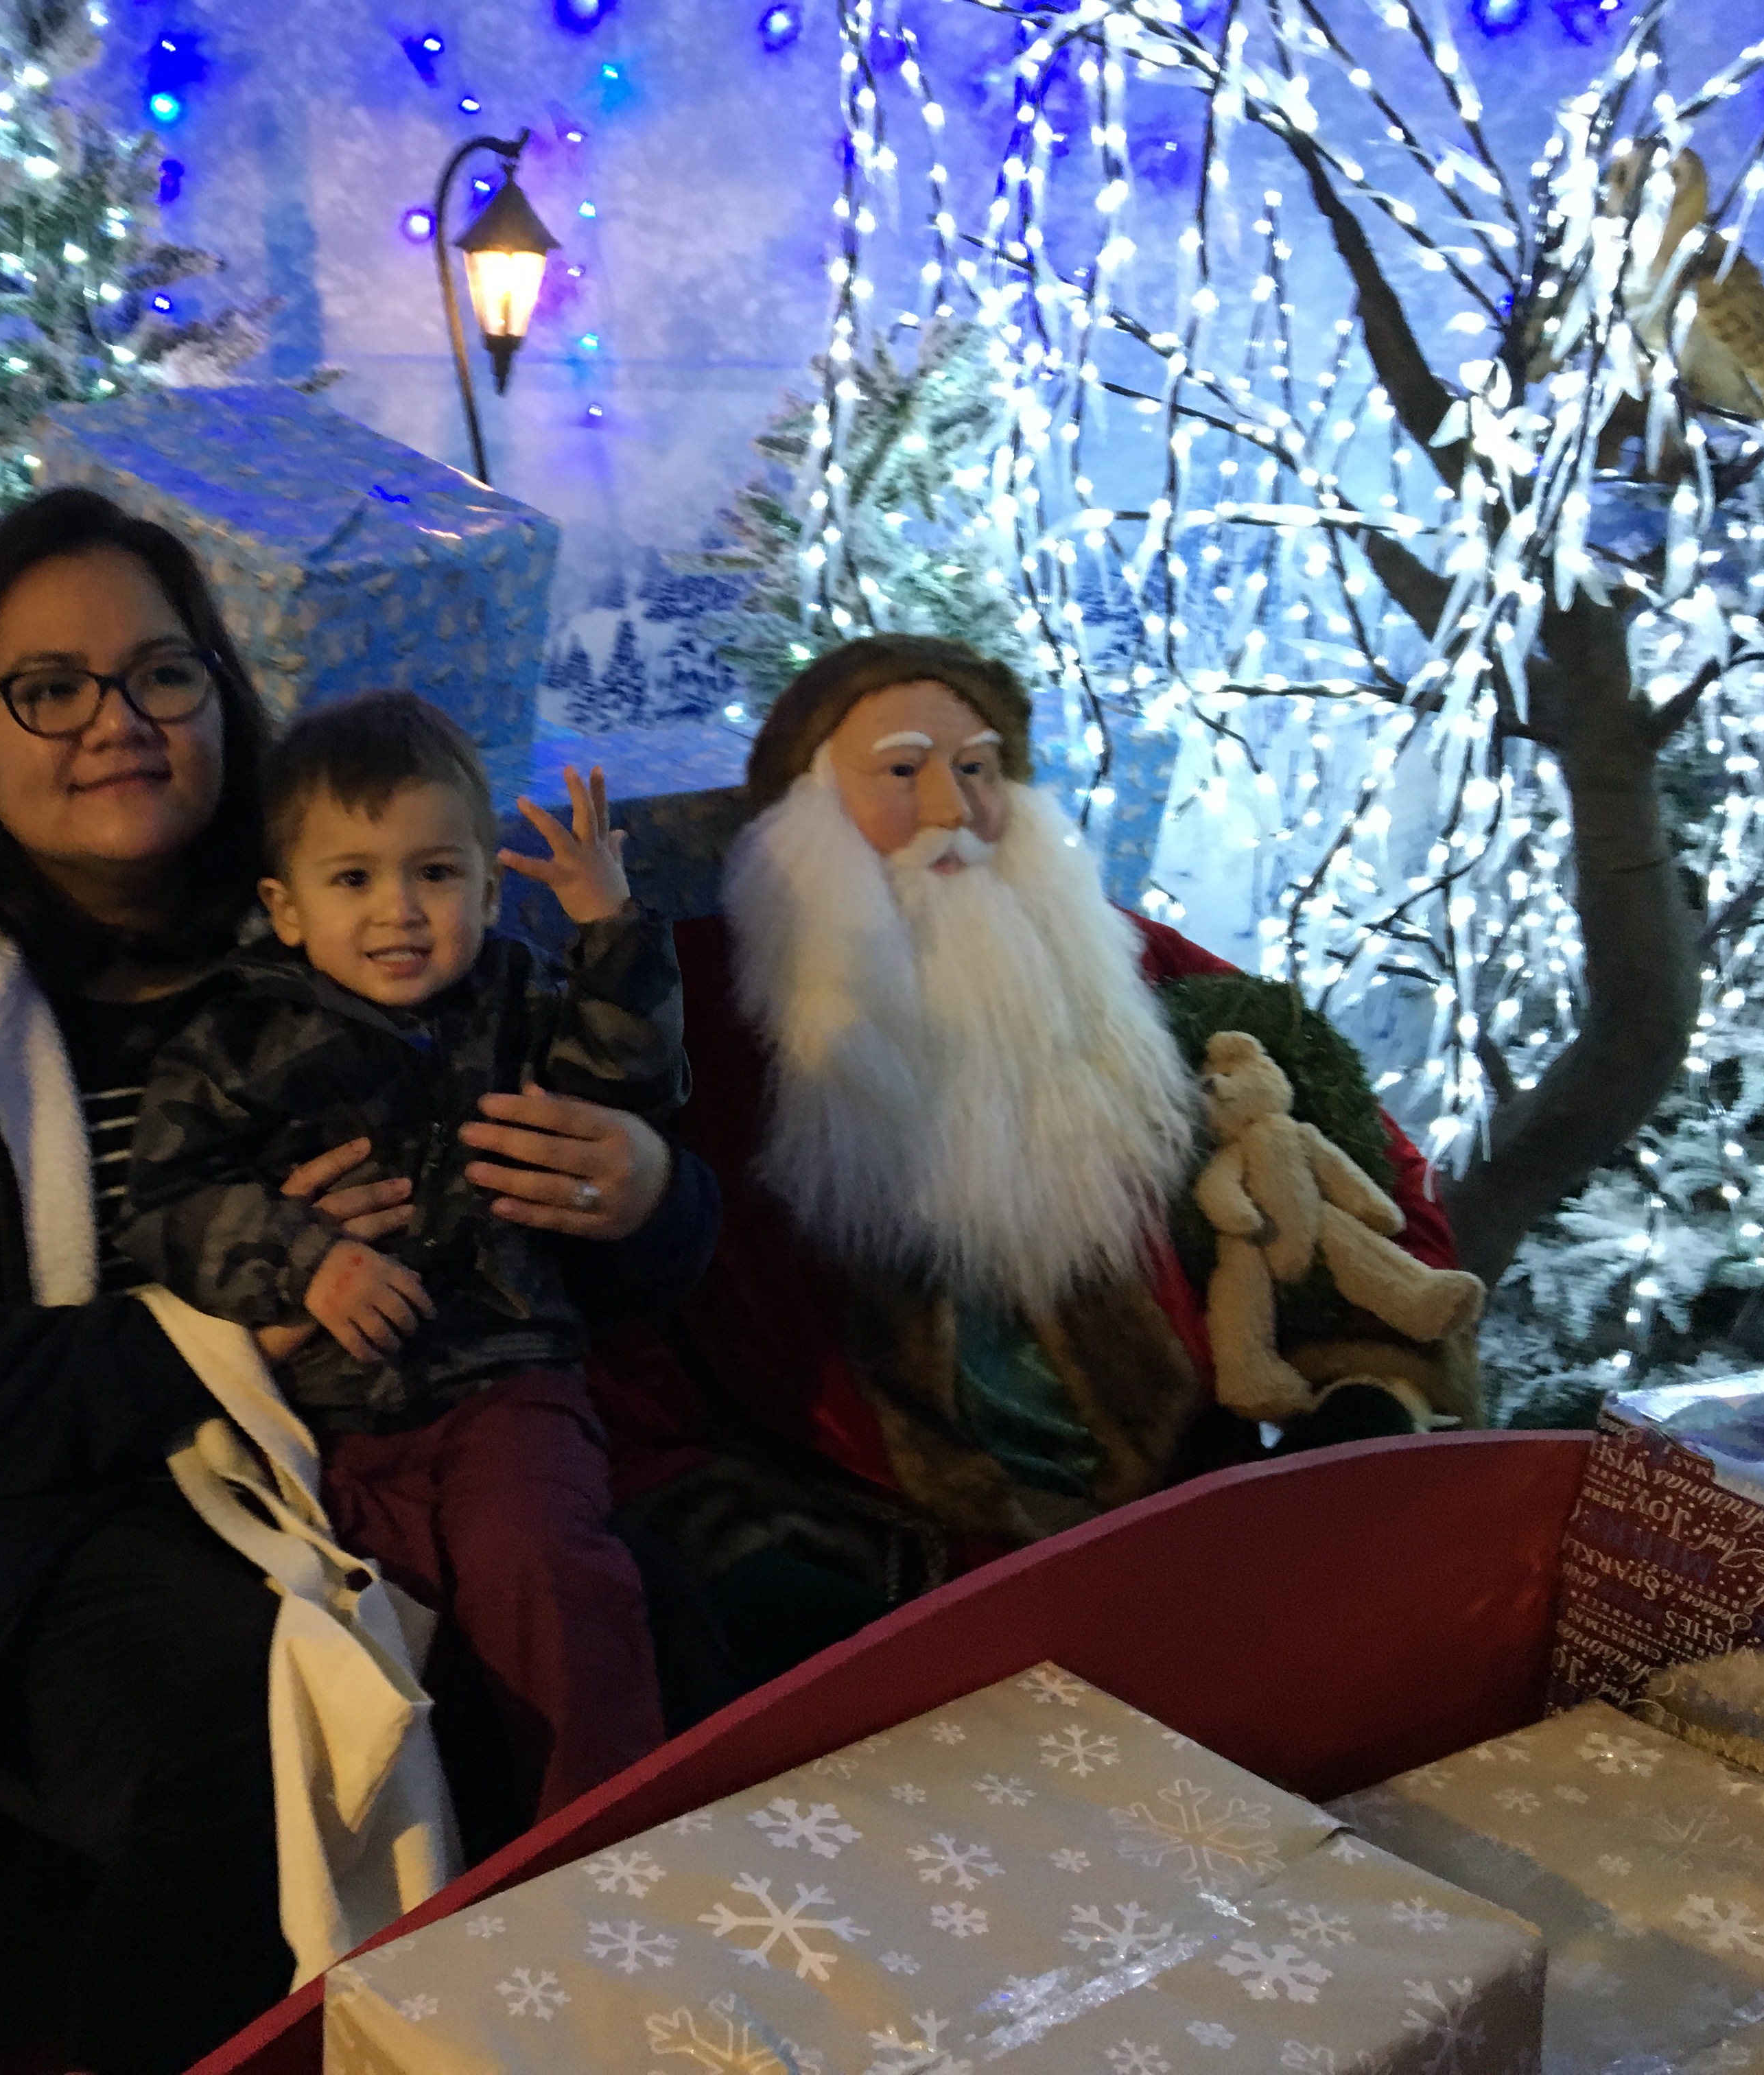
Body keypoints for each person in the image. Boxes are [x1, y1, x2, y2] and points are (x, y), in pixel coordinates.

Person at [0, 487, 718, 2075]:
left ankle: (621, 2019)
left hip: (395, 1432)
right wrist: (205, 1335)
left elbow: (566, 1268)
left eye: (161, 672)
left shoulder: (358, 924)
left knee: (643, 1615)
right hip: (55, 1520)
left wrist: (652, 1192)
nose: (116, 720)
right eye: (49, 689)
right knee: (261, 1722)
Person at [592, 635, 1466, 1601]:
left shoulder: (1129, 970)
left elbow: (1358, 1159)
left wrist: (1367, 1385)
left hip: (1182, 1525)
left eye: (978, 769)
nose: (952, 810)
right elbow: (594, 1308)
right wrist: (711, 1525)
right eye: (902, 771)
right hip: (881, 1557)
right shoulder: (683, 1010)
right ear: (806, 806)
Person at [120, 692, 681, 1821]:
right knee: (378, 1638)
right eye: (354, 878)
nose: (401, 911)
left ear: (487, 889)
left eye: (435, 873)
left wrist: (611, 931)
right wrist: (302, 1260)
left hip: (509, 1379)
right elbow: (167, 1209)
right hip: (332, 1417)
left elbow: (625, 1089)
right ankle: (431, 1871)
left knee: (547, 1572)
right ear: (285, 908)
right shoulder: (239, 1038)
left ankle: (608, 1832)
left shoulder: (520, 1000)